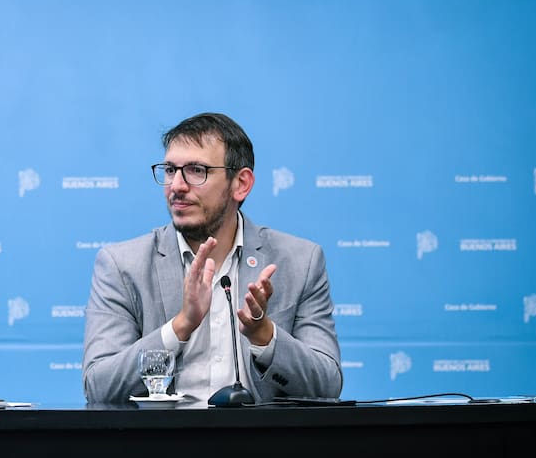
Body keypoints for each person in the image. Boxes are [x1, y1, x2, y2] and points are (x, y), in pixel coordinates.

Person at [82, 112, 342, 406]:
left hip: (261, 445)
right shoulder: (121, 266)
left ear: (241, 183)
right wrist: (180, 326)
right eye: (170, 170)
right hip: (160, 446)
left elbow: (328, 384)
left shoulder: (300, 262)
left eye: (196, 170)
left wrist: (265, 337)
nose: (177, 186)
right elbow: (99, 386)